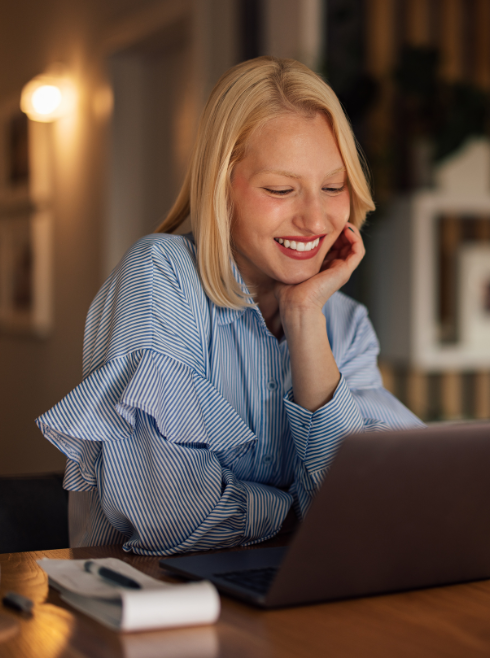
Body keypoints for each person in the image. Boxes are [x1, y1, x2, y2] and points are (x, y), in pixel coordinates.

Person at [35, 57, 422, 556]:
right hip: (150, 602)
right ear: (221, 188)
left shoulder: (345, 324)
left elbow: (373, 512)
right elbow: (170, 519)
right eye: (281, 190)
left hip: (296, 604)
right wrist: (304, 510)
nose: (315, 219)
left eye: (333, 186)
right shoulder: (160, 275)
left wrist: (305, 319)